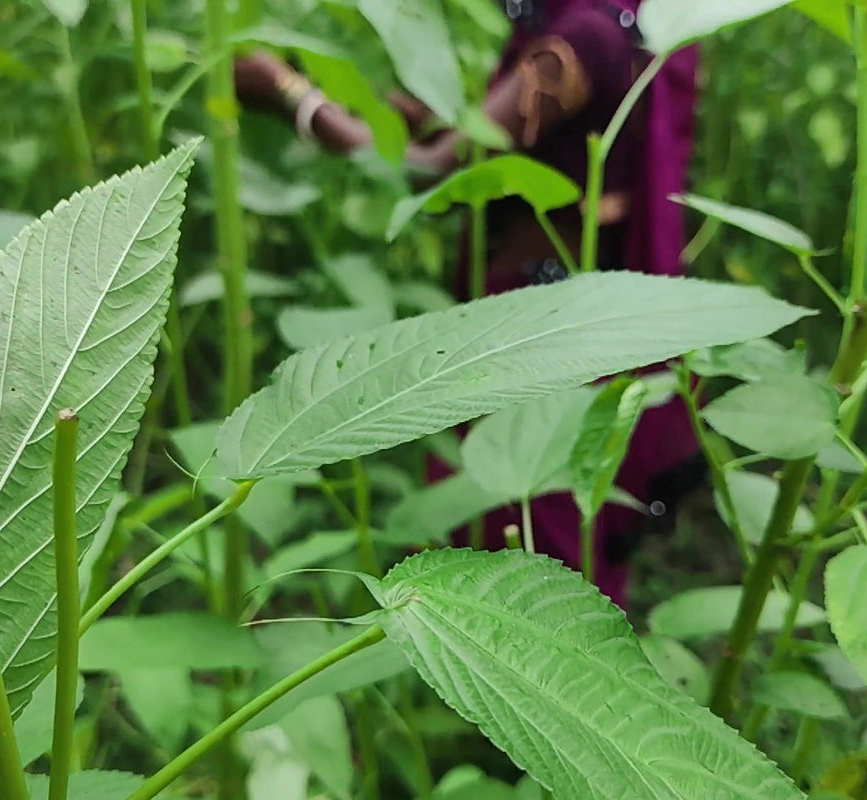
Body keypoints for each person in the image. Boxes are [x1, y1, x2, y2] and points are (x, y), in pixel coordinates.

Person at [235, 0, 701, 605]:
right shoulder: (630, 22)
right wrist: (426, 124)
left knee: (504, 546)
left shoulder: (582, 37)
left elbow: (431, 174)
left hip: (529, 327)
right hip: (584, 322)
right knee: (549, 538)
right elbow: (491, 146)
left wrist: (293, 96)